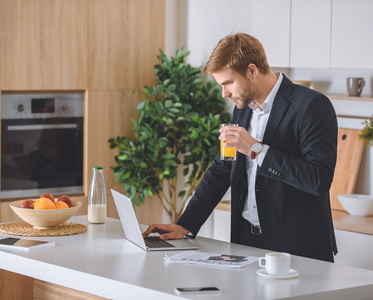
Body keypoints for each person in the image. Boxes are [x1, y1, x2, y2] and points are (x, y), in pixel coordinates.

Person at [143, 33, 338, 262]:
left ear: (252, 70)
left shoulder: (312, 105)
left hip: (297, 248)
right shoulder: (242, 108)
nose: (224, 93)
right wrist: (185, 225)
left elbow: (318, 180)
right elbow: (221, 170)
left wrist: (256, 149)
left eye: (228, 83)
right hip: (245, 243)